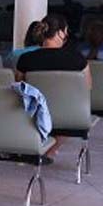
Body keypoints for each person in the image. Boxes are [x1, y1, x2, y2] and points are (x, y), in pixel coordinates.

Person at [16, 14, 91, 159]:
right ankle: (49, 151)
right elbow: (87, 89)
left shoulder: (26, 59)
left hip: (34, 114)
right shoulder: (77, 59)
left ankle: (40, 147)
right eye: (66, 31)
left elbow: (20, 87)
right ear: (60, 33)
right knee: (69, 114)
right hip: (69, 116)